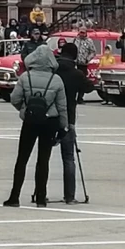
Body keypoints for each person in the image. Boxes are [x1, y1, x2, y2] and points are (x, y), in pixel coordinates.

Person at [4, 45, 68, 208]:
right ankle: (41, 197)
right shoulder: (57, 80)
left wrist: (24, 110)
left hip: (30, 120)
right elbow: (62, 107)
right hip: (49, 121)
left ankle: (14, 196)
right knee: (43, 160)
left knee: (22, 158)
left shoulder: (26, 77)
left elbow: (14, 99)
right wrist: (63, 127)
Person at [54, 43, 87, 204]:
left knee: (43, 155)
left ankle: (40, 193)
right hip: (69, 117)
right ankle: (69, 195)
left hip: (50, 115)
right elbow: (88, 87)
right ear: (74, 56)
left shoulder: (53, 70)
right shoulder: (76, 73)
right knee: (68, 157)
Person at [73, 27, 96, 103]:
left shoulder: (89, 41)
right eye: (80, 32)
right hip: (75, 63)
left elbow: (93, 52)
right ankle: (73, 97)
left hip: (83, 64)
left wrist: (87, 59)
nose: (81, 34)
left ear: (86, 33)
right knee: (74, 81)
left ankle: (80, 97)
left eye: (83, 32)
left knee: (82, 81)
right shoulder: (75, 40)